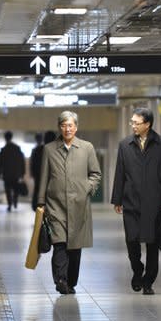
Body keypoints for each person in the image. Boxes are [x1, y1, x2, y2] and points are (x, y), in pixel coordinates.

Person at [111, 107, 161, 295]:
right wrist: (117, 199)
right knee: (132, 240)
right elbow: (120, 173)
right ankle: (137, 270)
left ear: (148, 124)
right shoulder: (125, 145)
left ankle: (148, 281)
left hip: (154, 202)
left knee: (152, 243)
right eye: (132, 122)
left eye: (136, 123)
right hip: (130, 201)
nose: (133, 126)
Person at [37, 111, 102, 295]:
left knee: (75, 246)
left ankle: (71, 280)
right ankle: (60, 280)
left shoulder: (86, 148)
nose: (67, 129)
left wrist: (87, 188)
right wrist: (41, 202)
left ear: (76, 127)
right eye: (64, 125)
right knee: (59, 243)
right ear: (59, 127)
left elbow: (96, 174)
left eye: (71, 125)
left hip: (79, 205)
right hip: (55, 205)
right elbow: (44, 177)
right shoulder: (49, 149)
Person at [0, 131, 25, 211]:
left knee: (8, 189)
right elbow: (21, 161)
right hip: (16, 173)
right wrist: (22, 172)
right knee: (15, 188)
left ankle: (9, 204)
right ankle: (15, 200)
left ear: (5, 138)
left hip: (7, 173)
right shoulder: (17, 148)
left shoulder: (3, 149)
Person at [29, 130, 57, 211]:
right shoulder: (58, 151)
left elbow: (34, 165)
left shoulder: (38, 150)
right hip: (53, 180)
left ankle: (40, 215)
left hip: (40, 179)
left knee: (39, 198)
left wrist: (34, 175)